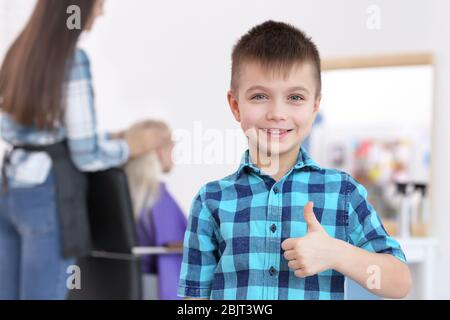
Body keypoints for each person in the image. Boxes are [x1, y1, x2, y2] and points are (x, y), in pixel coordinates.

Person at [178, 21, 412, 300]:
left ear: (314, 107)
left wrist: (336, 253)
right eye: (260, 96)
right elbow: (195, 301)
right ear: (235, 105)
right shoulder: (210, 200)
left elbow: (399, 284)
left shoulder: (342, 192)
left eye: (295, 97)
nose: (277, 112)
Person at [0, 0, 165, 300]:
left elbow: (27, 131)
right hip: (48, 197)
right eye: (98, 4)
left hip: (11, 192)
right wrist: (130, 146)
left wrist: (104, 138)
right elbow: (86, 155)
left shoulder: (18, 55)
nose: (101, 12)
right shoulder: (72, 60)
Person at [126, 120, 187, 300]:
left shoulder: (121, 191)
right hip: (155, 288)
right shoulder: (158, 198)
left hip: (120, 283)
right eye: (172, 149)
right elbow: (174, 246)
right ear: (160, 152)